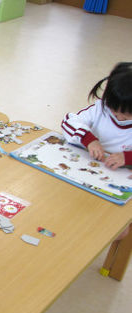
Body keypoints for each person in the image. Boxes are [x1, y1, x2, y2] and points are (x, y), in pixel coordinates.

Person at [61, 62, 132, 239]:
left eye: (126, 114)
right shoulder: (101, 108)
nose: (118, 116)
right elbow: (69, 121)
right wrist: (89, 140)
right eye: (114, 109)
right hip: (90, 172)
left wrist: (128, 157)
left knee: (118, 231)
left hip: (121, 181)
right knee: (61, 199)